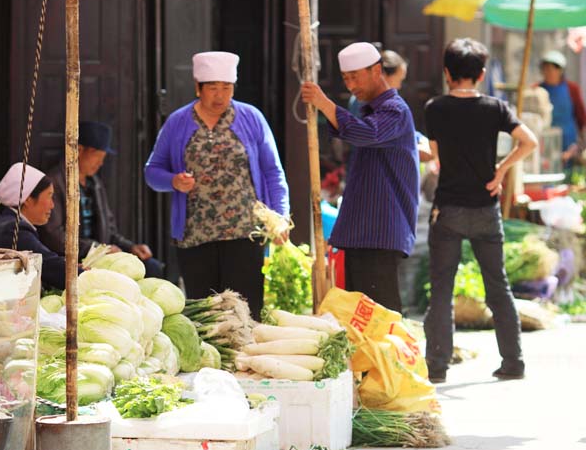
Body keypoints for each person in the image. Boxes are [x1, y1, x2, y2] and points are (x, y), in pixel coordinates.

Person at [423, 39, 537, 383]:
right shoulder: (496, 108)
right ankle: (512, 361)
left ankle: (437, 366)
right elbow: (529, 141)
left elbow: (436, 158)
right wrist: (501, 170)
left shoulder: (434, 108)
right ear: (482, 74)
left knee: (442, 288)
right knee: (498, 286)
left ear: (446, 73)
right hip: (486, 209)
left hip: (448, 210)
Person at [144, 51, 289, 320]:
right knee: (204, 315)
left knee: (246, 313)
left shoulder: (251, 118)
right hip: (196, 235)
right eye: (213, 88)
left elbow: (273, 172)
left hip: (246, 233)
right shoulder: (178, 122)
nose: (220, 95)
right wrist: (174, 181)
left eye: (227, 88)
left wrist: (280, 215)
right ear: (198, 88)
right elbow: (152, 172)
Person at [302, 42, 419, 312]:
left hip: (380, 232)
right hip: (361, 232)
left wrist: (323, 103)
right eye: (346, 78)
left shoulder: (394, 109)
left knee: (381, 318)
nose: (351, 85)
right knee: (360, 318)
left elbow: (367, 134)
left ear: (377, 70)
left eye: (355, 77)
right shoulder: (370, 110)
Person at [40, 121, 163, 278]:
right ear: (78, 150)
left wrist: (131, 247)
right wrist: (98, 249)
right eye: (97, 156)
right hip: (74, 260)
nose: (100, 163)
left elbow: (110, 231)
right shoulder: (55, 182)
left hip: (99, 254)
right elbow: (54, 235)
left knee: (152, 267)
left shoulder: (95, 183)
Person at [0, 162, 66, 290]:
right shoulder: (13, 230)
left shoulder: (8, 222)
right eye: (49, 196)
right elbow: (50, 266)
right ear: (28, 199)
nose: (52, 205)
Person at [537, 50, 586, 164]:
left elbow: (582, 118)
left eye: (552, 69)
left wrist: (580, 144)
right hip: (545, 142)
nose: (548, 72)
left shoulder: (572, 89)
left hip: (568, 144)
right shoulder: (537, 90)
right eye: (545, 69)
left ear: (560, 71)